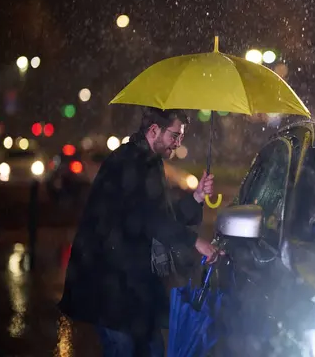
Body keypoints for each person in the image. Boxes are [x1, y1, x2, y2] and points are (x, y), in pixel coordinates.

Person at [59, 107, 220, 357]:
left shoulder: (147, 160)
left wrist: (197, 197)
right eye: (174, 135)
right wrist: (196, 242)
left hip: (131, 288)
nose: (177, 144)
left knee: (151, 350)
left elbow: (160, 214)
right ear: (154, 130)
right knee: (127, 350)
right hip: (110, 286)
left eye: (180, 137)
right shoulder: (130, 162)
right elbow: (151, 219)